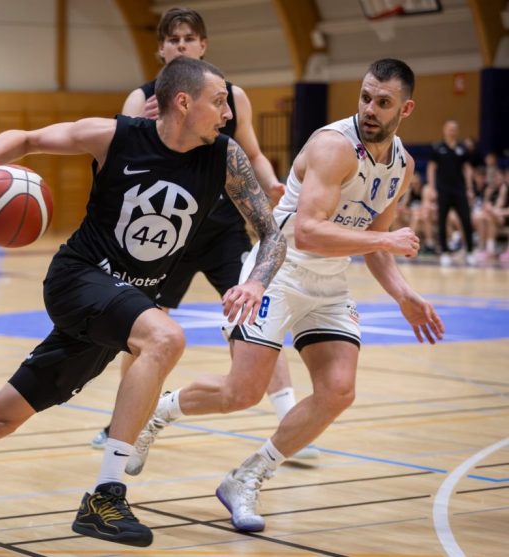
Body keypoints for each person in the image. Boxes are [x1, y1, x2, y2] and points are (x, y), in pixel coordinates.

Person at [0, 57, 287, 555]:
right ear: (184, 102)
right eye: (219, 102)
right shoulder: (115, 137)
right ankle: (106, 495)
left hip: (119, 304)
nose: (228, 113)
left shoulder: (225, 157)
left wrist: (256, 283)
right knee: (164, 337)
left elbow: (272, 233)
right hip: (79, 279)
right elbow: (28, 139)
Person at [125, 58, 445, 533]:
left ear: (406, 109)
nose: (370, 109)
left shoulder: (403, 164)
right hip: (279, 270)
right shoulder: (333, 146)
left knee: (338, 391)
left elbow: (375, 244)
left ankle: (247, 476)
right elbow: (309, 232)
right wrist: (384, 239)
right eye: (365, 97)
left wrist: (404, 294)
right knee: (241, 393)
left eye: (383, 102)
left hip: (329, 283)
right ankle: (157, 414)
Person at [90, 6, 319, 461]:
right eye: (172, 39)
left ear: (203, 46)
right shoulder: (141, 99)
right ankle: (124, 421)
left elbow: (253, 153)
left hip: (221, 230)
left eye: (188, 38)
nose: (181, 45)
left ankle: (286, 414)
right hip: (162, 233)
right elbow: (114, 165)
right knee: (143, 331)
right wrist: (145, 125)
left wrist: (271, 184)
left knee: (257, 317)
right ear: (160, 49)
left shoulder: (231, 97)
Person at [427, 120, 476, 266]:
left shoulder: (462, 148)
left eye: (454, 128)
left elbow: (467, 169)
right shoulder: (437, 148)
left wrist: (469, 188)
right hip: (443, 190)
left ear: (457, 131)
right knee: (442, 221)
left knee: (466, 220)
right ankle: (444, 252)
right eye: (449, 128)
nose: (452, 131)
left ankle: (470, 252)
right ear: (444, 130)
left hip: (459, 190)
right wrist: (432, 188)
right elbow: (431, 168)